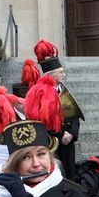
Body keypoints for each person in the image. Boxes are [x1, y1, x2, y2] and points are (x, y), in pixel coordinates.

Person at [34, 40, 80, 181]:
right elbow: (42, 118)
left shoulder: (64, 90)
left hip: (68, 139)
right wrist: (61, 135)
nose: (64, 75)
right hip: (53, 140)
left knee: (70, 173)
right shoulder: (40, 93)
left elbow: (74, 115)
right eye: (61, 72)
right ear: (51, 75)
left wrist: (71, 133)